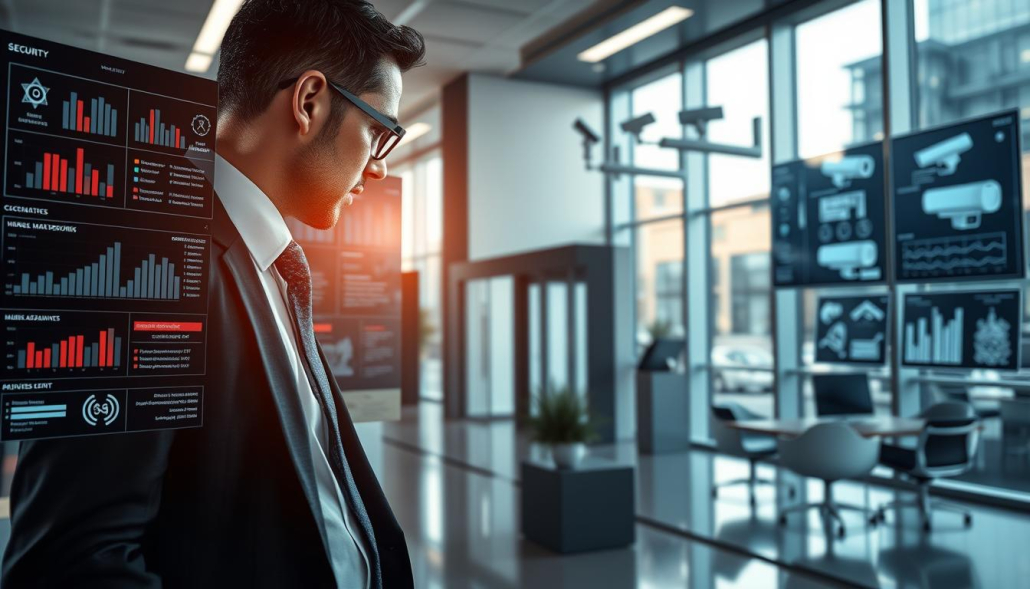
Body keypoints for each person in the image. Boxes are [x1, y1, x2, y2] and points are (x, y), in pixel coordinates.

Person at [2, 1, 425, 587]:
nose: (379, 168)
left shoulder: (266, 262)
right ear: (309, 102)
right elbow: (71, 563)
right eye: (380, 131)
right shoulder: (141, 258)